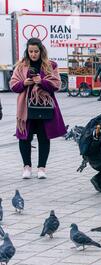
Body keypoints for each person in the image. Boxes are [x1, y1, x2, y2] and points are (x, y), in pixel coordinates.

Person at [9, 37, 67, 179]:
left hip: (44, 107)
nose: (33, 54)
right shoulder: (21, 65)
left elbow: (57, 85)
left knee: (44, 137)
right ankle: (26, 167)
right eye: (31, 51)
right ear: (27, 51)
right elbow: (13, 85)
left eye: (36, 51)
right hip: (26, 108)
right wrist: (24, 83)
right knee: (24, 137)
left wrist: (42, 82)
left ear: (41, 51)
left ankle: (42, 168)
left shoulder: (50, 65)